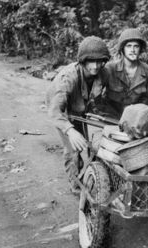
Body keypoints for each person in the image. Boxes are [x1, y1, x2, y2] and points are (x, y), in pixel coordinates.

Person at [47, 36, 110, 193]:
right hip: (61, 108)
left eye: (99, 61)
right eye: (91, 61)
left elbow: (101, 98)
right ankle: (75, 184)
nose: (95, 66)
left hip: (80, 107)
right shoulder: (67, 78)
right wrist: (69, 130)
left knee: (88, 143)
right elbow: (55, 111)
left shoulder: (103, 73)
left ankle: (86, 173)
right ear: (83, 61)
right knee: (73, 148)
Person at [102, 28, 148, 119]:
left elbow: (144, 98)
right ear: (122, 49)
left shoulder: (146, 70)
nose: (132, 50)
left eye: (136, 46)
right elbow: (97, 94)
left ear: (140, 49)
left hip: (132, 118)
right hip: (110, 116)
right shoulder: (110, 68)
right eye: (128, 46)